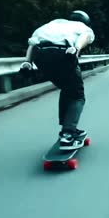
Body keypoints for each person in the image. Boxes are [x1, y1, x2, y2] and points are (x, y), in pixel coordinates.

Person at [19, 10, 95, 149]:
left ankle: (67, 127)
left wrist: (28, 61)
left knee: (67, 89)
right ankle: (68, 133)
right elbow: (85, 36)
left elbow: (33, 41)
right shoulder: (82, 27)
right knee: (77, 96)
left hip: (40, 57)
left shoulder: (53, 24)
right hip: (64, 53)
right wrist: (76, 49)